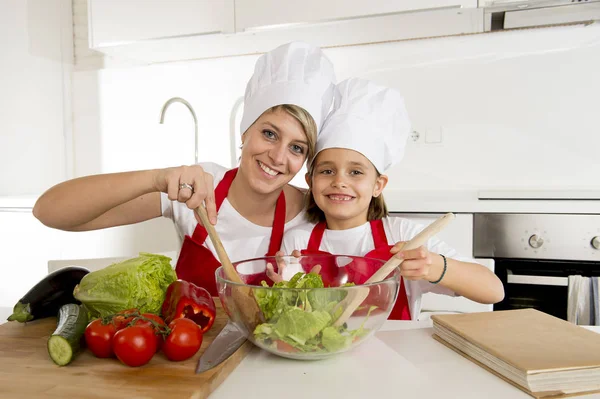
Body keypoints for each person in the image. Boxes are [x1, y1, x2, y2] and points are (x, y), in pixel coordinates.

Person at [32, 42, 337, 295]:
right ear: (245, 131)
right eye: (269, 134)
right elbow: (49, 210)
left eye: (297, 148)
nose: (278, 156)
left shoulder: (315, 212)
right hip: (189, 357)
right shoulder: (198, 189)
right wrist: (157, 178)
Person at [275, 78, 504, 320]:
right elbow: (292, 320)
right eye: (327, 171)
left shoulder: (404, 236)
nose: (339, 181)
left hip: (397, 355)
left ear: (378, 185)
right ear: (310, 181)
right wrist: (285, 292)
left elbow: (493, 291)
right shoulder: (297, 242)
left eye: (355, 172)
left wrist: (432, 266)